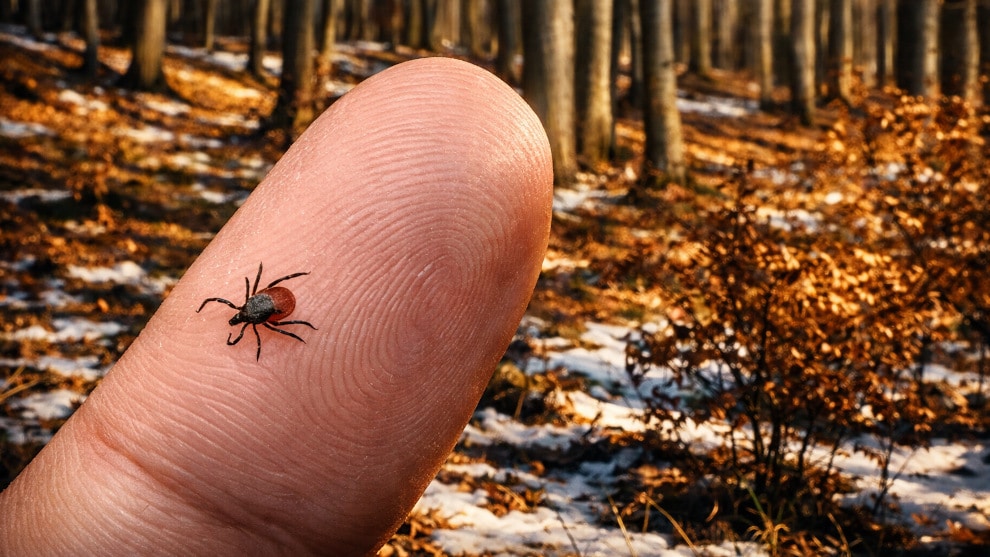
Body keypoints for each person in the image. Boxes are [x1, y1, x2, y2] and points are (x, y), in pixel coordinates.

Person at [0, 57, 553, 555]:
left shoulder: (255, 311)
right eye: (242, 317)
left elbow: (270, 301)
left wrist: (279, 318)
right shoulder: (256, 310)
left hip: (284, 301)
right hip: (283, 301)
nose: (240, 318)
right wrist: (270, 317)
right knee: (279, 303)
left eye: (241, 315)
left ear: (248, 309)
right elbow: (271, 299)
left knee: (282, 305)